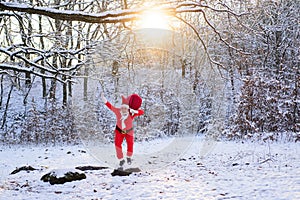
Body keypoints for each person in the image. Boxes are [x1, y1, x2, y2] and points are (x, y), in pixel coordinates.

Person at [101, 93, 144, 168]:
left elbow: (141, 112)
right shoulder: (118, 111)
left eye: (125, 108)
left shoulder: (131, 113)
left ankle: (129, 157)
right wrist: (104, 100)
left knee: (130, 144)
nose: (123, 110)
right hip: (119, 132)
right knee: (117, 145)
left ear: (128, 109)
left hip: (129, 132)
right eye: (122, 108)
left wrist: (135, 111)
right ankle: (121, 159)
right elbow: (110, 106)